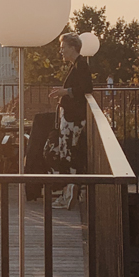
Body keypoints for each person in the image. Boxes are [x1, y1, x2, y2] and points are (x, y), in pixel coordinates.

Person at [46, 33, 93, 207]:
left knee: (69, 154)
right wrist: (64, 91)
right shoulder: (77, 65)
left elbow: (86, 88)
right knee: (67, 153)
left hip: (73, 120)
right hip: (71, 118)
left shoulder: (81, 65)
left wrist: (64, 92)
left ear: (73, 48)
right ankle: (70, 192)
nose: (61, 51)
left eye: (63, 48)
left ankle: (69, 193)